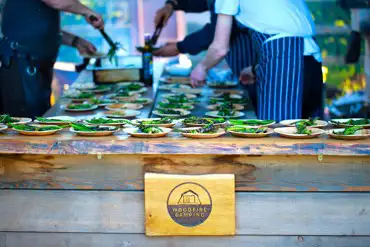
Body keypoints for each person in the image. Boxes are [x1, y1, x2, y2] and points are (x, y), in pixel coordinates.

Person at [191, 0, 324, 121]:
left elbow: (220, 48)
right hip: (311, 60)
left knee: (277, 136)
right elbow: (290, 35)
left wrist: (202, 67)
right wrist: (255, 70)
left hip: (283, 58)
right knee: (311, 135)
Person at [0, 0, 104, 118]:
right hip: (20, 65)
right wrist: (87, 11)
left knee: (41, 121)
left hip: (36, 68)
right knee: (26, 124)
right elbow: (56, 2)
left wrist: (75, 41)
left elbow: (40, 28)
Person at [153, 0, 257, 110]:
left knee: (251, 101)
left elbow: (217, 32)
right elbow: (206, 2)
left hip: (251, 52)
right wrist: (171, 5)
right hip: (244, 58)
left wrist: (181, 47)